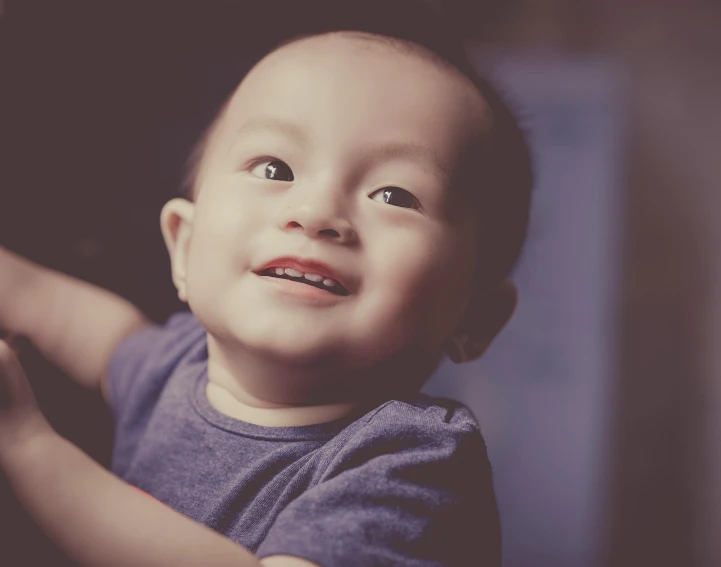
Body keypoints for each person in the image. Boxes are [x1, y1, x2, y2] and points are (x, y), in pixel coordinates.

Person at [0, 8, 532, 567]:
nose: (316, 211)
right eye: (274, 168)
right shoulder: (174, 368)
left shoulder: (411, 460)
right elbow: (55, 309)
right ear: (183, 246)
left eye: (395, 195)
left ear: (473, 316)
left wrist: (30, 449)